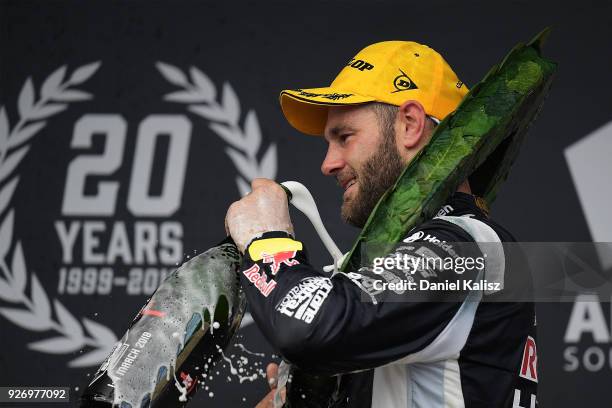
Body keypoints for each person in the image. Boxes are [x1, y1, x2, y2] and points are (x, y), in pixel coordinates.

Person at [226, 41, 538, 407]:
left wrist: (267, 240)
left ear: (409, 124)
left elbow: (308, 328)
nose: (328, 164)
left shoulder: (466, 246)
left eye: (344, 137)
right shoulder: (418, 265)